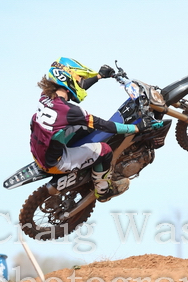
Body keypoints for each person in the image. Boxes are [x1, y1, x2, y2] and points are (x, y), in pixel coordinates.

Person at [30, 57, 162, 202]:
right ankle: (103, 191)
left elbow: (74, 90)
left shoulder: (46, 96)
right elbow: (104, 125)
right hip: (54, 162)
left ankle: (86, 162)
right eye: (79, 79)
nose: (80, 82)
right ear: (67, 79)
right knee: (105, 150)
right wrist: (136, 128)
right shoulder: (71, 111)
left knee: (84, 126)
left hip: (39, 149)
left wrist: (98, 76)